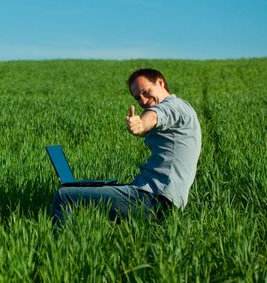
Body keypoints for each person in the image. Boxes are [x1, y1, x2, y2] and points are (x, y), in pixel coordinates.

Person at [51, 68, 202, 227]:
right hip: (154, 196)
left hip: (155, 199)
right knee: (92, 191)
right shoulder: (181, 111)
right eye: (138, 97)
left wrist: (141, 124)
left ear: (160, 82)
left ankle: (58, 249)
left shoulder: (175, 106)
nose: (143, 100)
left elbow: (155, 116)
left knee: (64, 196)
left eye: (145, 92)